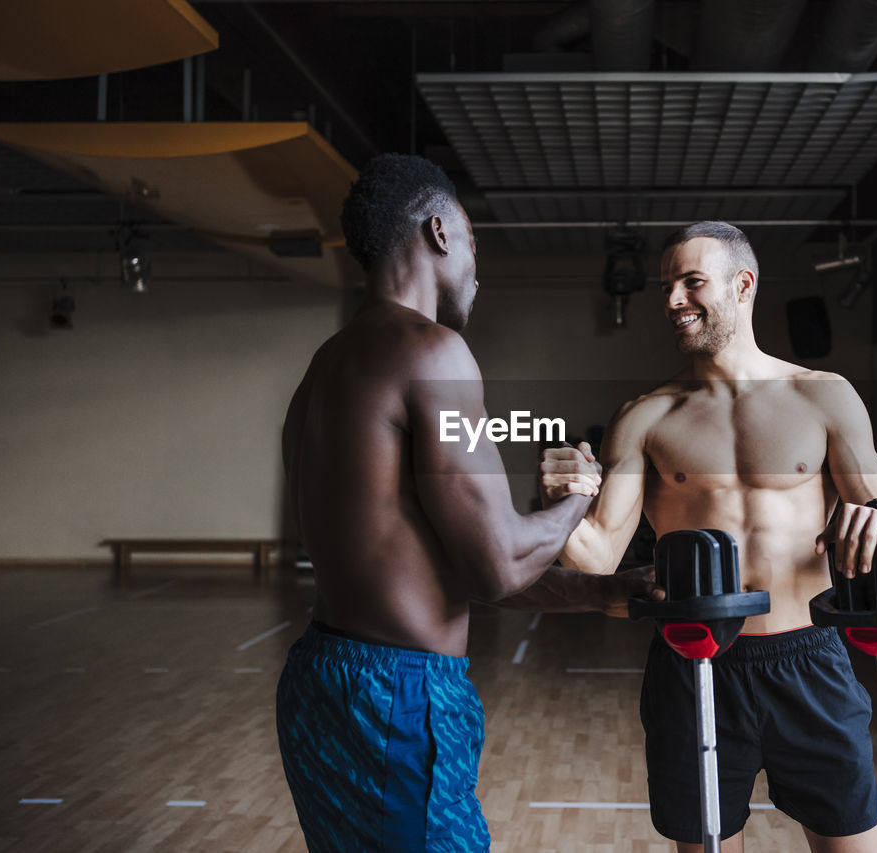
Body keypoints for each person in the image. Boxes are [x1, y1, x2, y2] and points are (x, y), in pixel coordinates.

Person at [276, 153, 657, 853]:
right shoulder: (434, 352)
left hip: (320, 681)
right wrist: (579, 496)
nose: (481, 270)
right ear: (439, 232)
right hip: (398, 697)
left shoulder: (321, 373)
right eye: (475, 245)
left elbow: (440, 573)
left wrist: (609, 593)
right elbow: (496, 565)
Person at [538, 221, 877, 853]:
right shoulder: (645, 417)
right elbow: (600, 554)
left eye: (692, 282)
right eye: (666, 287)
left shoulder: (823, 397)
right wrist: (564, 506)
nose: (672, 300)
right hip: (696, 662)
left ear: (743, 286)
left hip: (811, 658)